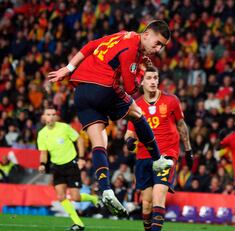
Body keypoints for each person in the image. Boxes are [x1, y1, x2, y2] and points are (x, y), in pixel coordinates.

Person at [47, 20, 174, 217]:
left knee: (99, 141)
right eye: (157, 43)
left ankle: (105, 188)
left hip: (81, 91)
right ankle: (157, 159)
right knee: (137, 113)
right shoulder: (133, 49)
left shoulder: (123, 35)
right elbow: (131, 88)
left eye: (162, 47)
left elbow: (90, 46)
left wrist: (69, 68)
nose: (158, 49)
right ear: (147, 34)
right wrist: (141, 70)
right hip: (103, 87)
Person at [124, 66, 192, 231]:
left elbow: (181, 125)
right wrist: (129, 141)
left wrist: (189, 150)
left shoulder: (171, 101)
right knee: (146, 204)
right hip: (143, 156)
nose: (153, 81)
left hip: (166, 154)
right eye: (149, 78)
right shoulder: (136, 105)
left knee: (158, 197)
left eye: (155, 78)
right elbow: (129, 132)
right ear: (141, 82)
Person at [37, 106, 98, 231]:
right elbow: (43, 152)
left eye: (53, 114)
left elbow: (80, 140)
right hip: (56, 167)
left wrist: (81, 157)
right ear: (43, 117)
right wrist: (42, 164)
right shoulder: (41, 134)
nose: (51, 116)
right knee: (61, 197)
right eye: (48, 114)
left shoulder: (64, 127)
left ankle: (93, 198)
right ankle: (78, 223)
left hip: (71, 164)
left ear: (56, 117)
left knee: (75, 197)